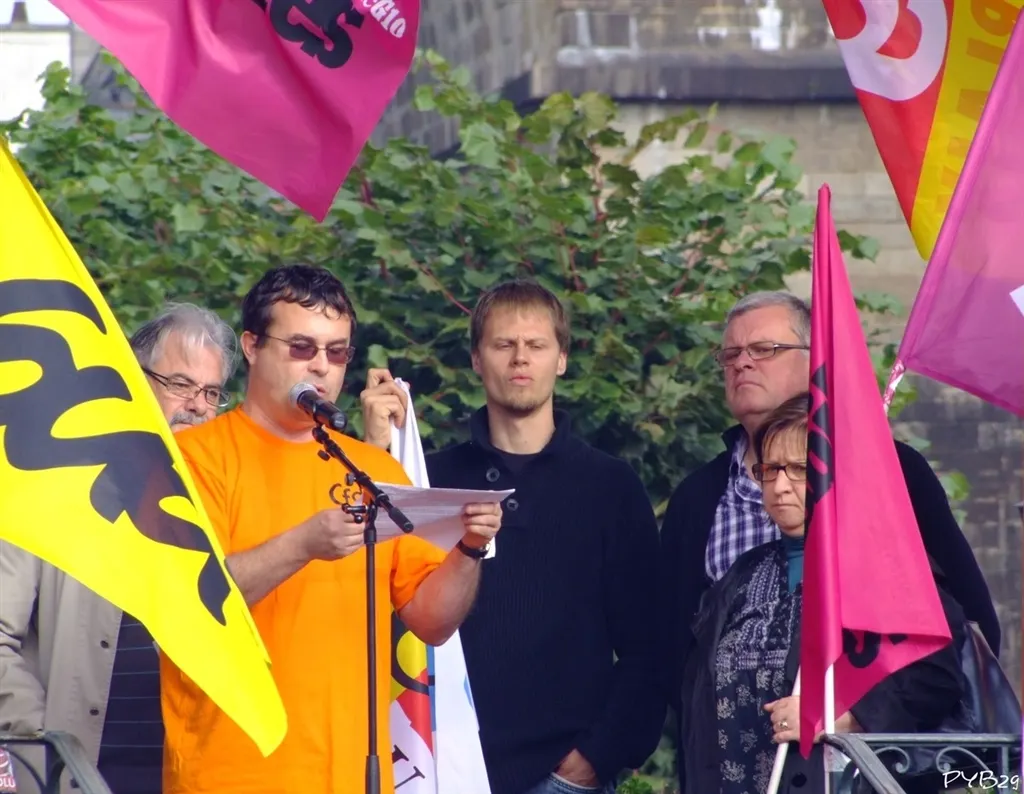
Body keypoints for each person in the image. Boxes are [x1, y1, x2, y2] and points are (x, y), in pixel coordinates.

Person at [162, 264, 503, 794]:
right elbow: (189, 603)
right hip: (228, 774)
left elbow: (432, 623)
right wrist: (302, 545)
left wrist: (470, 548)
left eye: (337, 352)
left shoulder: (375, 471)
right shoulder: (192, 456)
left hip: (354, 774)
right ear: (252, 347)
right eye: (301, 347)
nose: (321, 366)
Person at [658, 290, 999, 789]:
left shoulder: (893, 476)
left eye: (764, 349)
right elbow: (679, 655)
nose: (742, 363)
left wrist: (851, 717)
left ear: (812, 359)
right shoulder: (703, 506)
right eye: (730, 354)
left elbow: (954, 640)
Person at [362, 280, 666, 794]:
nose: (520, 358)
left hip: (563, 778)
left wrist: (595, 759)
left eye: (536, 345)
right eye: (503, 344)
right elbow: (372, 596)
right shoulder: (432, 481)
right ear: (477, 360)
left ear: (561, 359)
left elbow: (650, 647)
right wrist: (375, 450)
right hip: (440, 768)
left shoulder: (609, 486)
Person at [0, 303, 236, 794]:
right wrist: (46, 746)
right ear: (131, 381)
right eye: (180, 384)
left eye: (212, 393)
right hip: (78, 774)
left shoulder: (229, 503)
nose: (198, 406)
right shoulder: (56, 487)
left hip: (191, 775)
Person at [677, 394, 965, 794]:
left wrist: (841, 718)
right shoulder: (742, 575)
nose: (779, 486)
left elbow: (935, 678)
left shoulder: (886, 572)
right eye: (770, 469)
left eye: (799, 470)